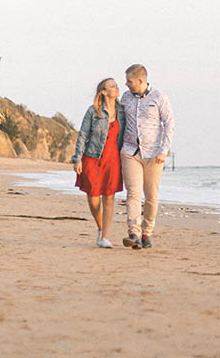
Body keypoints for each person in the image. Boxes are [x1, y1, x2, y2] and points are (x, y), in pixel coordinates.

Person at [119, 63, 173, 249]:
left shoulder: (159, 98)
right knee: (133, 193)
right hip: (130, 152)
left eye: (129, 81)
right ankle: (134, 232)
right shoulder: (125, 98)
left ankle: (147, 232)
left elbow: (169, 124)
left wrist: (163, 151)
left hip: (153, 155)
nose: (126, 84)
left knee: (151, 196)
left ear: (140, 80)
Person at [71, 77, 125, 248]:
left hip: (113, 160)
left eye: (116, 86)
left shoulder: (122, 111)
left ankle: (105, 237)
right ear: (103, 91)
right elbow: (83, 135)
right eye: (112, 86)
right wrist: (77, 158)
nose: (117, 88)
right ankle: (100, 227)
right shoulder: (93, 111)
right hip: (92, 157)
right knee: (94, 199)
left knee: (109, 198)